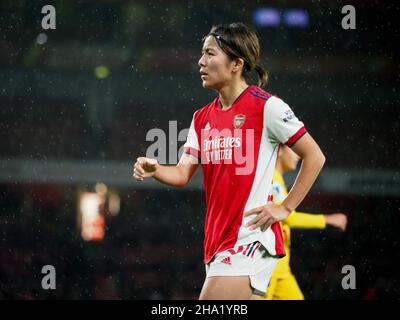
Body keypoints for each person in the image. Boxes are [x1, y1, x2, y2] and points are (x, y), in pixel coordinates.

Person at [133, 22, 326, 300]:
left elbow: (315, 156)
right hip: (217, 246)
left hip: (249, 242)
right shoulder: (201, 118)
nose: (201, 61)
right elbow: (182, 174)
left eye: (210, 53)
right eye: (202, 53)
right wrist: (156, 169)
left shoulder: (267, 107)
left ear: (237, 64)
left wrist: (286, 207)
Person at [261, 144, 347, 300]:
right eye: (294, 151)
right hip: (268, 264)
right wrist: (327, 220)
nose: (298, 156)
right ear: (279, 151)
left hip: (280, 266)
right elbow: (289, 217)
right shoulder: (272, 178)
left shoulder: (276, 178)